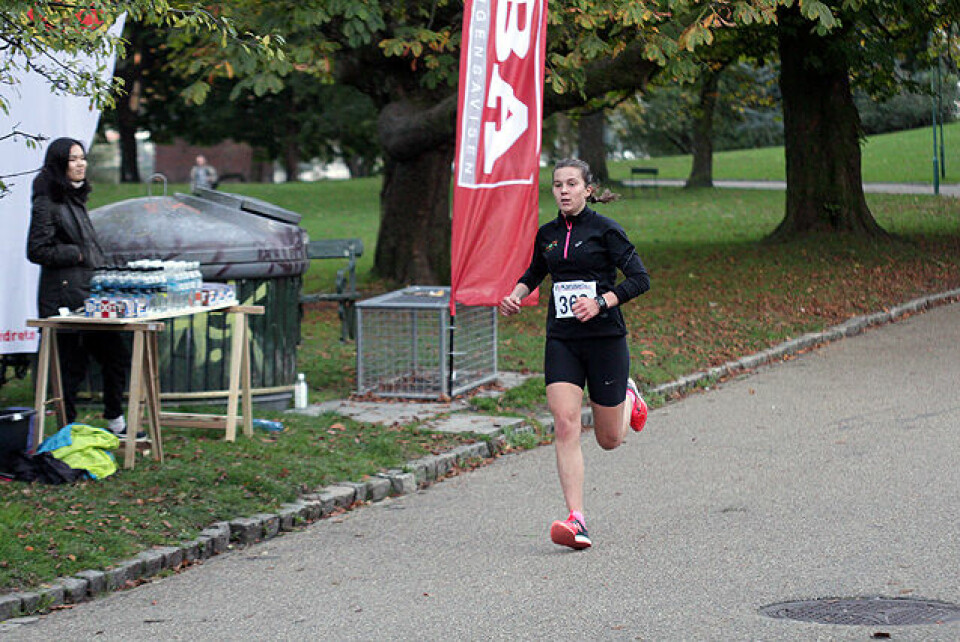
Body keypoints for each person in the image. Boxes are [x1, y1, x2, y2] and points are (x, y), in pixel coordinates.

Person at [499, 158, 651, 550]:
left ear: (587, 188)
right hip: (563, 339)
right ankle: (576, 519)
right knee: (565, 424)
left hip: (604, 340)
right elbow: (535, 272)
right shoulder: (548, 233)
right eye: (557, 185)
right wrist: (515, 296)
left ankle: (628, 396)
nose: (563, 191)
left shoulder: (606, 230)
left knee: (609, 440)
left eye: (571, 184)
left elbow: (640, 279)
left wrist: (601, 302)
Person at [26, 137, 132, 437]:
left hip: (89, 296)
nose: (80, 163)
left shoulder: (75, 199)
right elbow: (36, 250)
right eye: (73, 159)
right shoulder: (47, 202)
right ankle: (67, 431)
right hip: (62, 298)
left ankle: (116, 422)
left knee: (116, 356)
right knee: (69, 368)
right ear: (60, 164)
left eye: (82, 158)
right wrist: (77, 254)